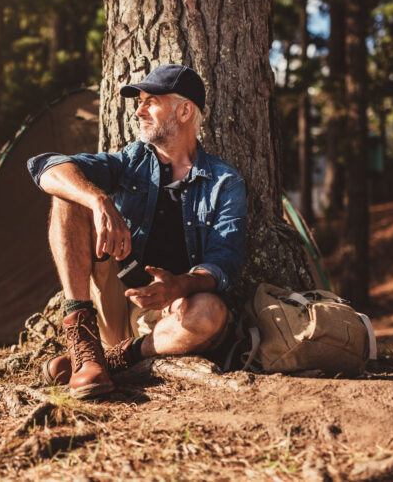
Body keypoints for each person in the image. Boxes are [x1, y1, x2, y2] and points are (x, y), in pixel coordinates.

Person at [27, 64, 246, 399]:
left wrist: (180, 285)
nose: (139, 110)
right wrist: (98, 199)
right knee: (68, 194)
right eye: (139, 101)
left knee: (211, 312)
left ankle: (113, 360)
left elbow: (224, 263)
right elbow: (46, 167)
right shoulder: (132, 161)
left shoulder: (224, 182)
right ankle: (83, 341)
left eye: (150, 101)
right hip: (114, 298)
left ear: (185, 110)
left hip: (170, 317)